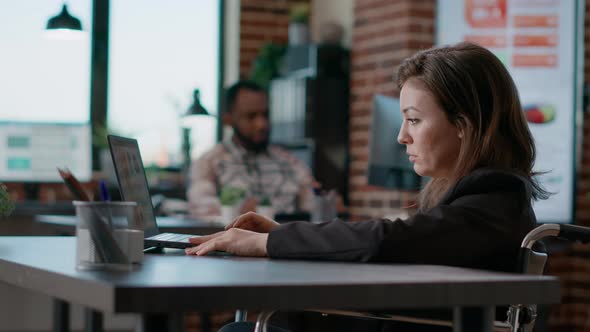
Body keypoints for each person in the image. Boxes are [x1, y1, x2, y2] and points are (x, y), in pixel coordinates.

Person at [186, 42, 549, 330]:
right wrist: (283, 234)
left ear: (464, 124)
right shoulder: (490, 198)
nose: (401, 136)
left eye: (414, 120)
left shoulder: (493, 201)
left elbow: (385, 239)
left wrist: (269, 242)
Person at [187, 81, 315, 218]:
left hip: (285, 236)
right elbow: (199, 205)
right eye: (251, 116)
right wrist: (236, 210)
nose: (262, 124)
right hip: (236, 236)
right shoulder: (208, 162)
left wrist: (326, 204)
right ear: (228, 120)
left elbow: (312, 200)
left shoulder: (289, 161)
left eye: (265, 115)